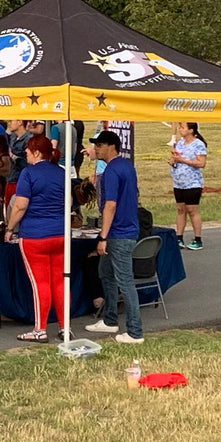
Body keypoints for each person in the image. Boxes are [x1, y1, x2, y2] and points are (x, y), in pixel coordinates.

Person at [84, 130, 144, 344]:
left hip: (118, 233)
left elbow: (110, 205)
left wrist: (103, 236)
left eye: (99, 145)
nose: (96, 149)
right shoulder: (127, 166)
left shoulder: (111, 171)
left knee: (125, 282)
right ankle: (110, 320)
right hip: (126, 229)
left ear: (111, 146)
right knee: (105, 272)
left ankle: (135, 331)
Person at [5, 135, 67, 342]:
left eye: (28, 152)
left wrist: (9, 227)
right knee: (60, 281)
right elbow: (70, 203)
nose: (26, 155)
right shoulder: (62, 172)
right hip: (60, 233)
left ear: (37, 153)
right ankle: (63, 326)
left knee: (40, 283)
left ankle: (40, 329)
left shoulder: (28, 173)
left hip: (35, 235)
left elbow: (20, 205)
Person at [168, 122, 207, 250]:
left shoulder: (198, 144)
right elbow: (176, 158)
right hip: (179, 182)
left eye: (183, 127)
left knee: (192, 210)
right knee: (180, 209)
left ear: (191, 130)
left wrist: (183, 160)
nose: (180, 129)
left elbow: (201, 163)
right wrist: (173, 161)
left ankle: (198, 239)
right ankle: (179, 237)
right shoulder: (180, 143)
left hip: (192, 183)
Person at [5, 120, 31, 211]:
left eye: (12, 121)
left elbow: (28, 161)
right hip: (11, 177)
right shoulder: (12, 137)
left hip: (20, 179)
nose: (9, 123)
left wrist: (15, 157)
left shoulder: (28, 139)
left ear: (20, 122)